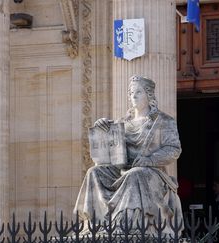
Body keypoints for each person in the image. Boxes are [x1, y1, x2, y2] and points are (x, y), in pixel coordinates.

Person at [74, 75, 183, 235]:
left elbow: (174, 149)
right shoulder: (122, 122)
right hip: (122, 170)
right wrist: (103, 130)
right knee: (94, 172)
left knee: (135, 174)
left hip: (151, 173)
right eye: (131, 92)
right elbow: (112, 154)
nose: (133, 96)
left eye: (138, 92)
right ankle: (95, 225)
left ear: (149, 95)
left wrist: (149, 160)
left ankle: (125, 224)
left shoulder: (163, 121)